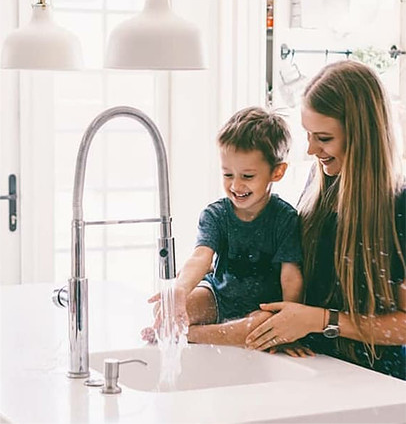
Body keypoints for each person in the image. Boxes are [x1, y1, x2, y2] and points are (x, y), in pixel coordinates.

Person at [245, 60, 406, 379]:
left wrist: (321, 321)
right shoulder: (320, 185)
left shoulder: (399, 206)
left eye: (324, 138)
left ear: (362, 135)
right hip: (314, 369)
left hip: (377, 386)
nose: (310, 149)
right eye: (308, 134)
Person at [143, 106, 308, 355]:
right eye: (227, 174)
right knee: (167, 308)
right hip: (218, 297)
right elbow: (201, 257)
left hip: (260, 308)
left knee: (262, 325)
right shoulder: (216, 214)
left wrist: (289, 322)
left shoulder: (285, 218)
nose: (235, 185)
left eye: (247, 176)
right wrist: (179, 289)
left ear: (277, 172)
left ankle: (191, 333)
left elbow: (291, 276)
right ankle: (210, 330)